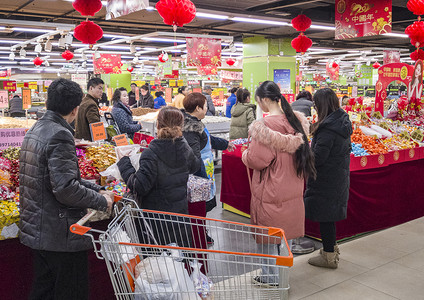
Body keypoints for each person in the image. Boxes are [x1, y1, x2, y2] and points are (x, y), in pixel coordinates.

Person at [19, 78, 113, 300]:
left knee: (45, 289)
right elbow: (65, 189)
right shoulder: (60, 135)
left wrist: (95, 188)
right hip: (60, 233)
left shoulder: (36, 129)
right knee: (71, 291)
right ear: (75, 108)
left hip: (40, 228)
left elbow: (57, 178)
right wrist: (102, 201)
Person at [242, 81, 316, 286]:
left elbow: (258, 160)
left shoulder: (265, 127)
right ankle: (282, 274)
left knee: (268, 238)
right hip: (292, 187)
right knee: (285, 236)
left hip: (271, 190)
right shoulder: (296, 122)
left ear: (265, 100)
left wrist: (245, 154)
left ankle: (270, 277)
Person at [117, 106, 200, 246]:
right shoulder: (184, 148)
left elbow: (139, 186)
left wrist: (124, 163)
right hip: (180, 219)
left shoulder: (152, 153)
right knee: (177, 264)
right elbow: (195, 167)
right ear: (181, 126)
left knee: (158, 264)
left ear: (157, 125)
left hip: (156, 224)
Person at [305, 88, 352, 269]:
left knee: (326, 217)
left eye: (316, 104)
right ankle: (330, 250)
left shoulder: (327, 129)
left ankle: (329, 257)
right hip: (337, 177)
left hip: (326, 180)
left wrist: (303, 151)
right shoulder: (341, 122)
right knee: (329, 217)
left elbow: (318, 158)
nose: (314, 107)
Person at [182, 93, 234, 244]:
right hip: (199, 174)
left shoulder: (195, 123)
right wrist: (203, 178)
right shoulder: (190, 128)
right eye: (205, 106)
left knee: (201, 207)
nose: (207, 109)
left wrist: (225, 144)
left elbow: (208, 139)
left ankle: (201, 233)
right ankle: (198, 236)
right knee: (199, 207)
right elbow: (194, 157)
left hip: (205, 170)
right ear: (198, 108)